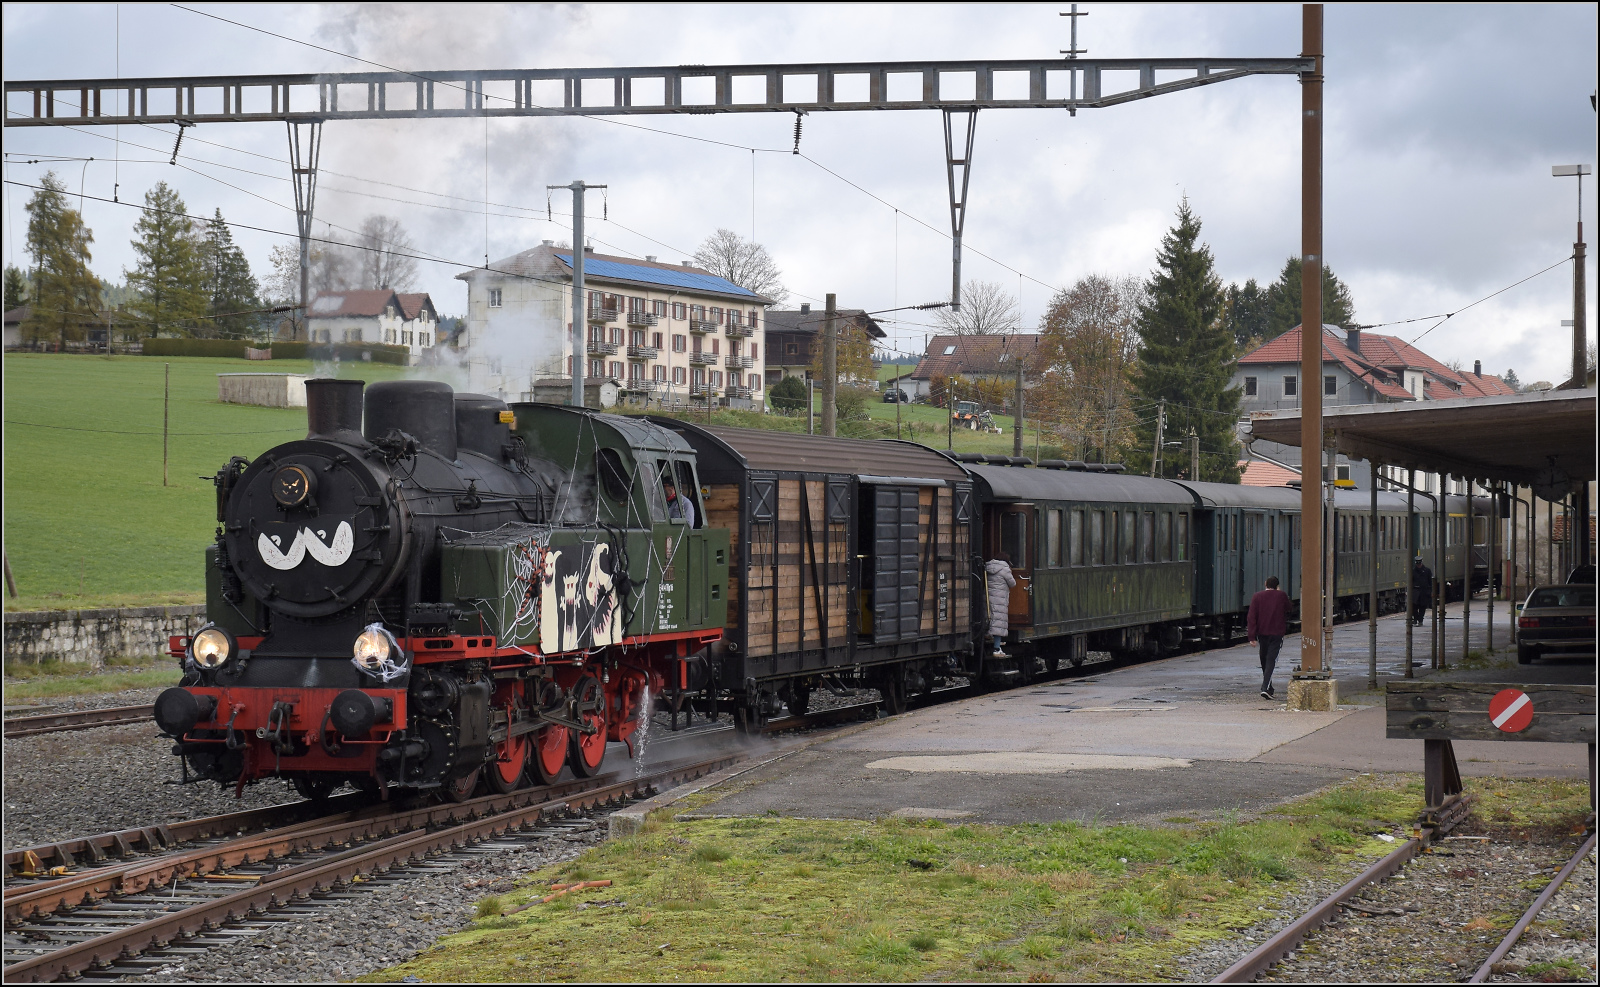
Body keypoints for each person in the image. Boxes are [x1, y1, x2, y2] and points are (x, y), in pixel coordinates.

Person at [1246, 575, 1290, 700]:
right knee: (1271, 659)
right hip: (1276, 633)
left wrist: (1251, 636)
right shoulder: (1281, 595)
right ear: (1277, 586)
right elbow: (1289, 608)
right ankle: (1265, 688)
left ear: (1265, 584)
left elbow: (1251, 617)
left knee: (1264, 659)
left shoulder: (1257, 596)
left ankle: (1268, 688)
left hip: (1262, 633)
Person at [985, 552, 1016, 658]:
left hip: (989, 598)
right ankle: (997, 648)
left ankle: (988, 638)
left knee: (990, 620)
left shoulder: (988, 567)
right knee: (999, 623)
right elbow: (1013, 583)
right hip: (1000, 599)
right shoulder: (1005, 569)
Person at [1411, 557, 1433, 625]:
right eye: (1417, 563)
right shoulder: (1413, 571)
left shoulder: (1427, 571)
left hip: (1424, 592)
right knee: (1414, 607)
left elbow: (1430, 582)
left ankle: (1420, 620)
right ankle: (1415, 619)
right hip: (1415, 591)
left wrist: (1430, 591)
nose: (1418, 565)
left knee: (1422, 607)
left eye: (1419, 563)